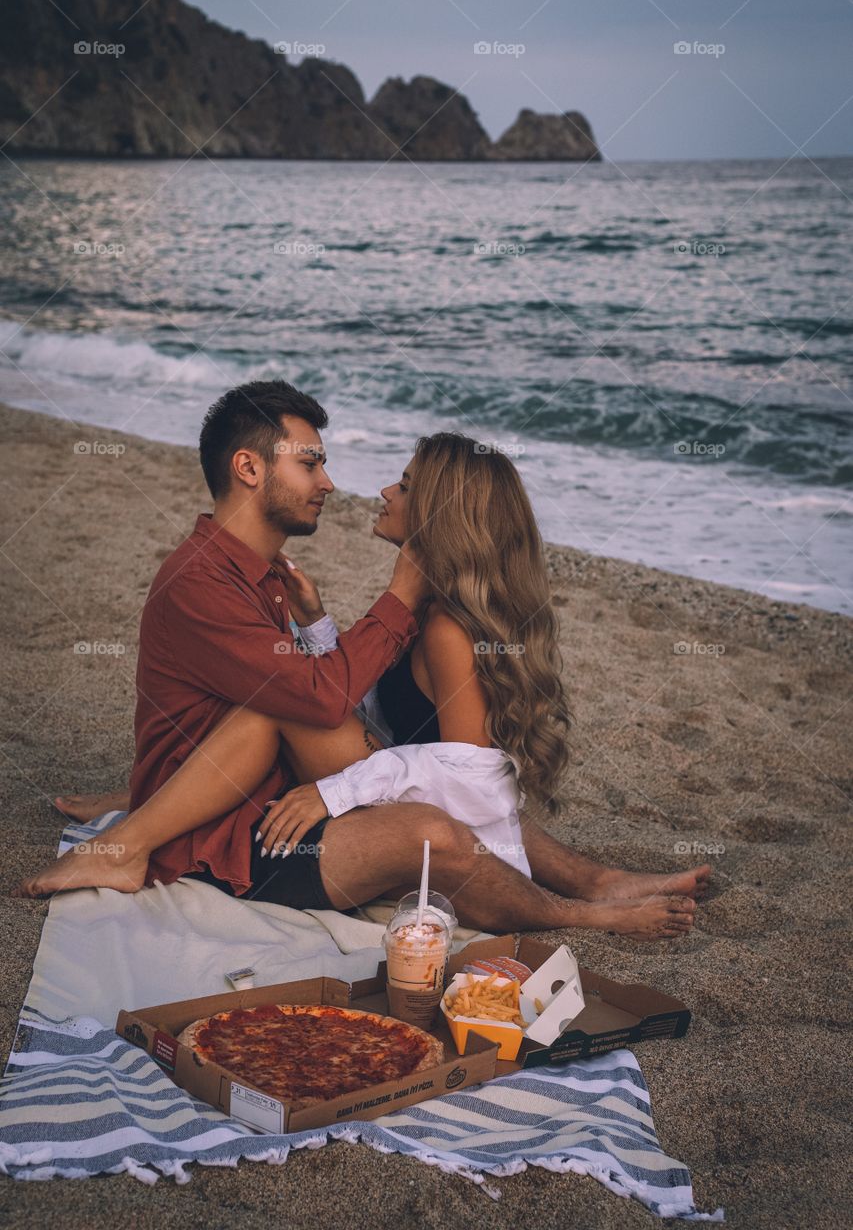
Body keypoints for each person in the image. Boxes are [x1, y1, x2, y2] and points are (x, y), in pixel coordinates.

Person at [14, 386, 708, 937]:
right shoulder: (206, 581)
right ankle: (582, 910)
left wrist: (320, 625)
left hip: (270, 797)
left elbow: (344, 705)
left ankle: (591, 881)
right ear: (249, 467)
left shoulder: (258, 575)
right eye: (310, 463)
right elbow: (315, 702)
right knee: (431, 824)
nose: (337, 483)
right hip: (234, 837)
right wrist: (395, 599)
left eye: (398, 483)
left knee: (418, 775)